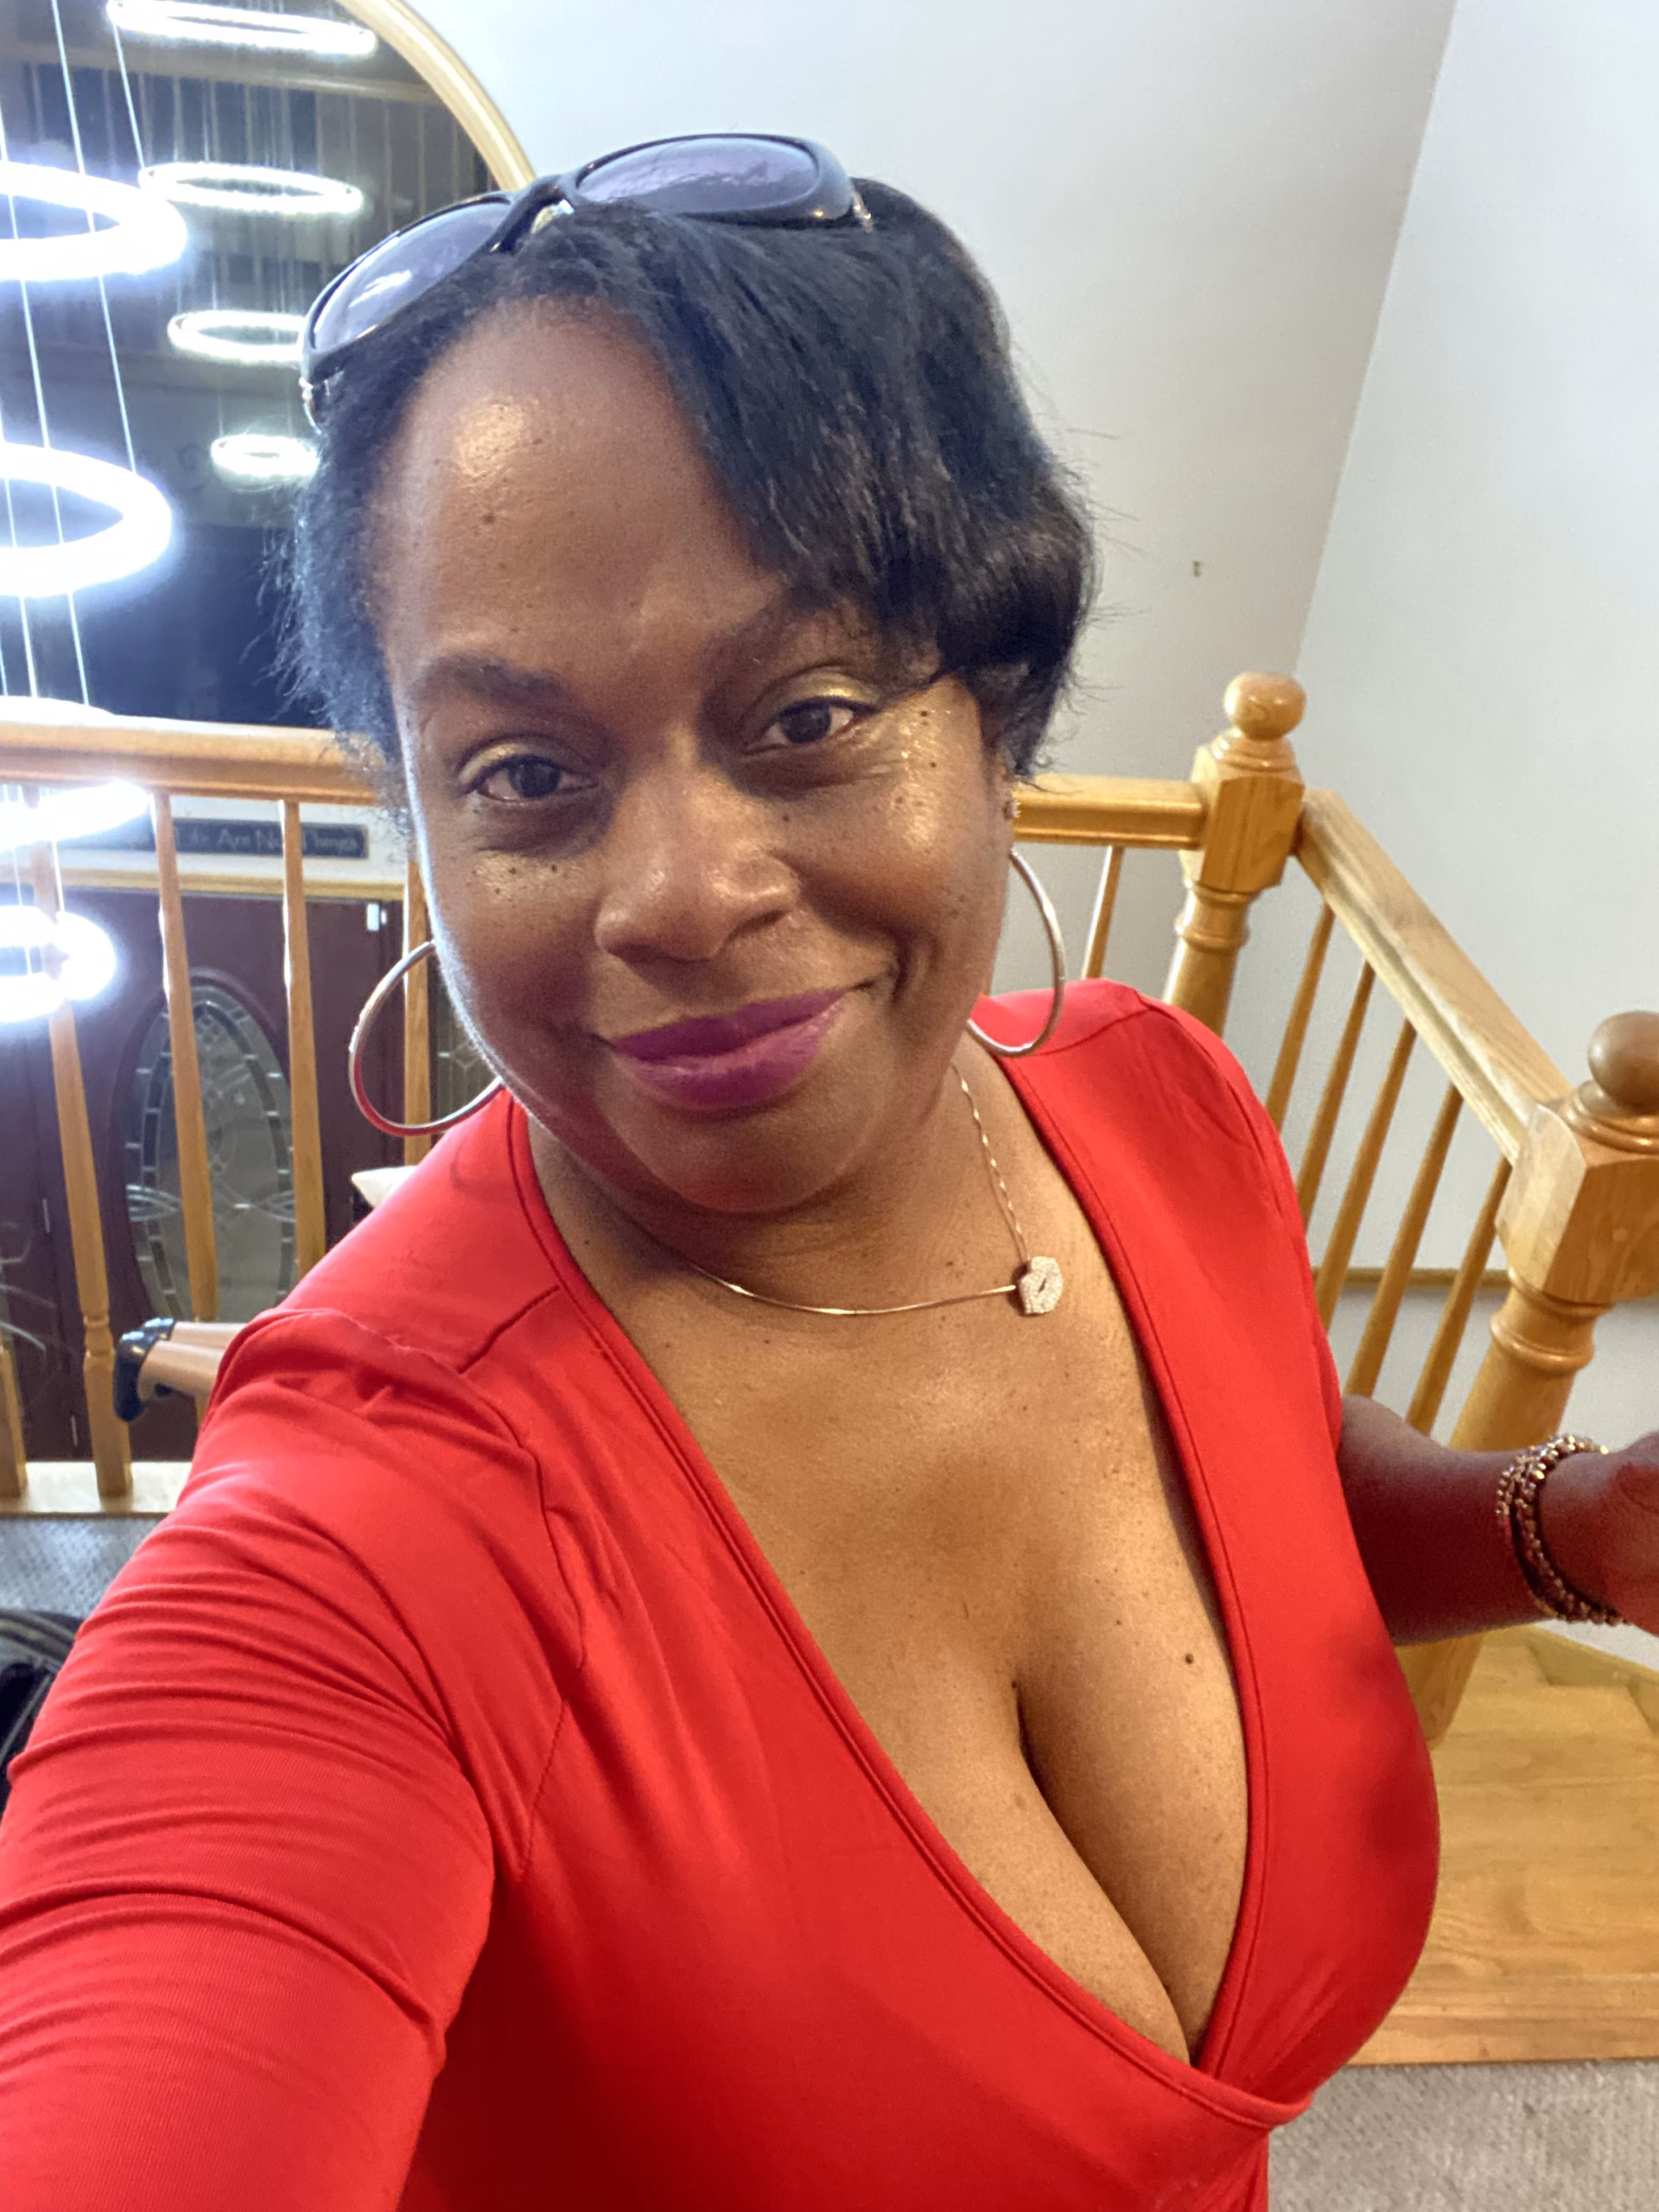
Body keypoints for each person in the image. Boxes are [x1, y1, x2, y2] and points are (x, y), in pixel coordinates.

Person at [0, 134, 1655, 2212]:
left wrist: (1561, 1526)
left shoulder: (1156, 1105)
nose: (680, 893)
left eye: (805, 710)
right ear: (421, 821)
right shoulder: (360, 1541)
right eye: (527, 771)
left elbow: (1264, 1490)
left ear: (995, 710)